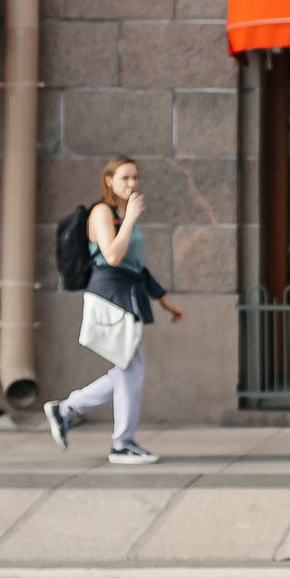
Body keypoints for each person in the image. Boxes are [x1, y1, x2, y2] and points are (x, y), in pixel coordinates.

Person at [45, 157, 183, 465]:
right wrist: (131, 218)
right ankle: (121, 443)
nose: (132, 184)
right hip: (110, 296)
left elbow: (137, 266)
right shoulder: (102, 213)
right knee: (130, 370)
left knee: (127, 370)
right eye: (125, 178)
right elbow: (112, 255)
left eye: (135, 178)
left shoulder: (123, 213)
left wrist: (162, 299)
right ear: (109, 180)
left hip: (128, 294)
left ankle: (67, 409)